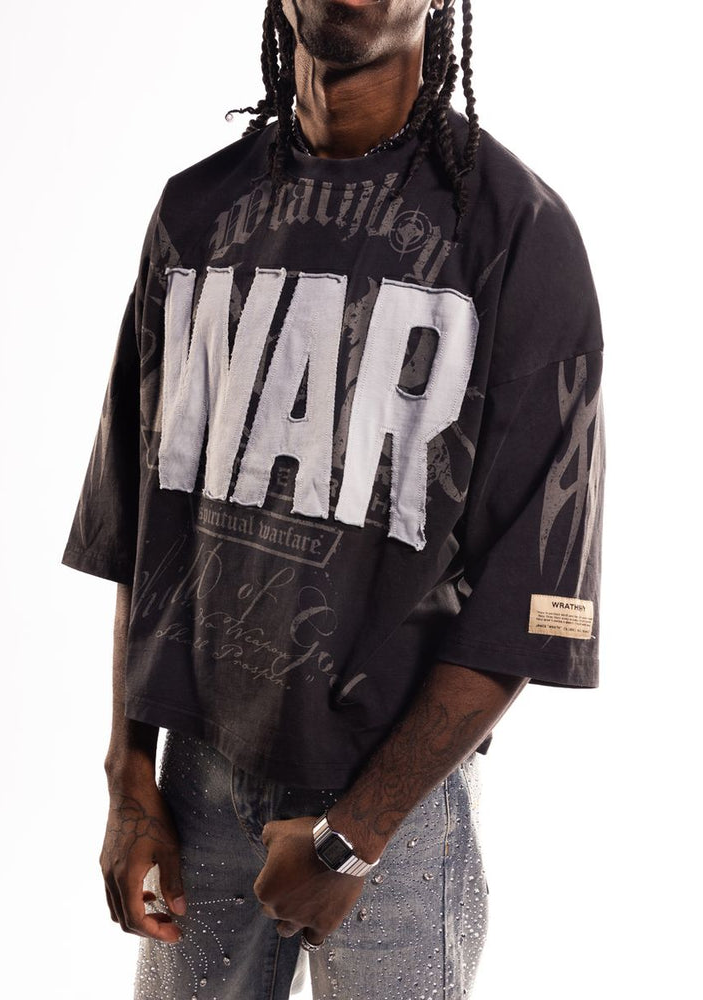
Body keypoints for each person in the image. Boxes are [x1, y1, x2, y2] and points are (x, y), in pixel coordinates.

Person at [60, 1, 604, 997]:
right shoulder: (194, 213)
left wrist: (354, 836)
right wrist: (129, 777)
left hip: (399, 804)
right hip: (197, 775)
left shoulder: (519, 233)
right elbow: (144, 525)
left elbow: (525, 601)